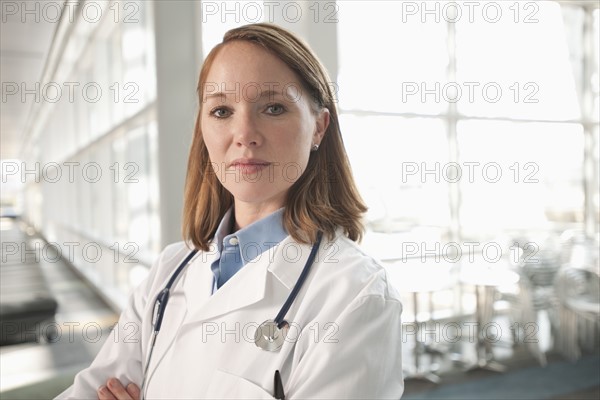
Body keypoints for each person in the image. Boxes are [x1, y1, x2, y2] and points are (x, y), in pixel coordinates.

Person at [56, 23, 404, 399]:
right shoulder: (169, 273)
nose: (245, 134)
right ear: (203, 129)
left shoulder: (355, 293)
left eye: (273, 108)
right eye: (222, 110)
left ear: (318, 127)